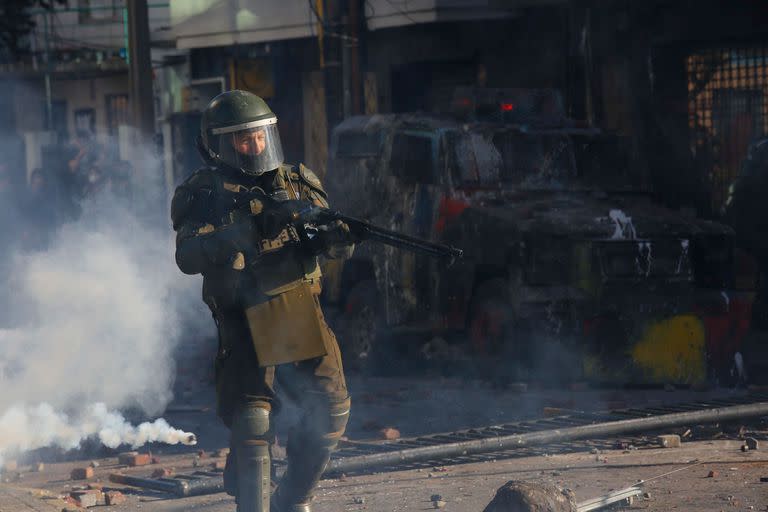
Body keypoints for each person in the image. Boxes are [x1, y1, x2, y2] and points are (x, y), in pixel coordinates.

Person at [171, 90, 354, 512]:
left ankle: (292, 499)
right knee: (253, 421)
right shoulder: (203, 192)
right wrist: (244, 232)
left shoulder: (297, 181)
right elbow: (187, 255)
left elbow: (327, 241)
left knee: (331, 409)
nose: (253, 146)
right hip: (242, 317)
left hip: (298, 310)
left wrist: (336, 240)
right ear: (218, 144)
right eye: (241, 139)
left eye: (258, 136)